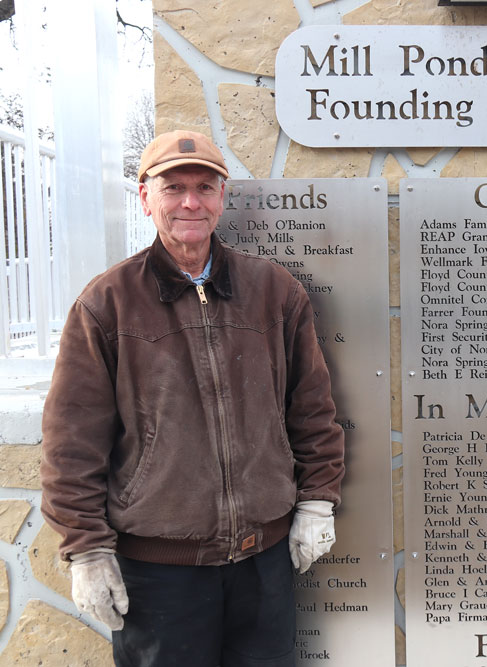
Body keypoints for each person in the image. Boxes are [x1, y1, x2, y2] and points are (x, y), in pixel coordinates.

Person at [40, 130, 345, 666]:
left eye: (205, 187)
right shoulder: (106, 305)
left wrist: (317, 500)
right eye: (173, 187)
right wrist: (87, 550)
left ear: (222, 197)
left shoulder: (274, 291)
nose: (190, 202)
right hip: (160, 576)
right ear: (144, 197)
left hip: (263, 562)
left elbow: (312, 409)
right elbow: (72, 441)